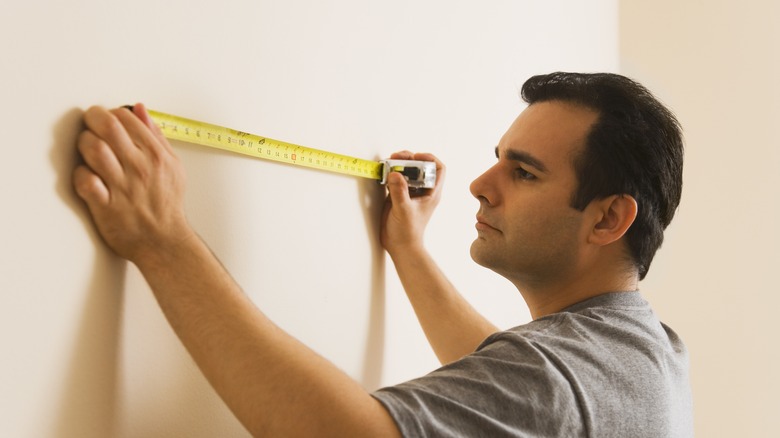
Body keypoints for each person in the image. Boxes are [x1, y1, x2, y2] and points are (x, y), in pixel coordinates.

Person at [73, 72, 693, 437]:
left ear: (609, 218)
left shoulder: (558, 381)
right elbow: (508, 383)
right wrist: (408, 250)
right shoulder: (645, 352)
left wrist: (163, 240)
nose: (481, 183)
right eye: (498, 156)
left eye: (524, 173)